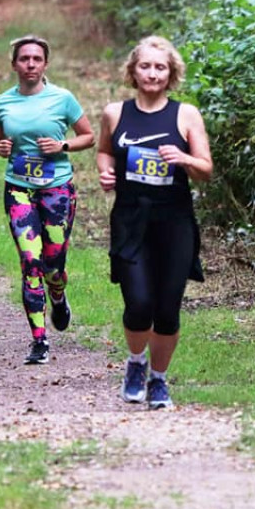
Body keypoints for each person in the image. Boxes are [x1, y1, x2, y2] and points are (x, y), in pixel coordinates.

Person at [95, 36, 213, 409]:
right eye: (145, 66)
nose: (152, 73)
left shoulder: (186, 115)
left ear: (171, 73)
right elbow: (103, 152)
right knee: (138, 304)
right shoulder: (115, 113)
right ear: (133, 71)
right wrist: (105, 173)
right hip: (131, 221)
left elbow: (206, 170)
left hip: (174, 223)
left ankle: (159, 381)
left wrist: (184, 158)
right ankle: (135, 363)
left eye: (160, 67)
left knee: (167, 309)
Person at [0, 36, 95, 364]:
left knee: (54, 265)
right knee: (31, 262)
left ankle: (59, 295)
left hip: (57, 190)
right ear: (14, 64)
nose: (31, 64)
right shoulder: (1, 102)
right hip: (19, 188)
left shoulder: (62, 99)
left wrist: (62, 147)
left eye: (37, 59)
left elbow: (89, 137)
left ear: (45, 64)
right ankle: (39, 341)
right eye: (24, 59)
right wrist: (1, 149)